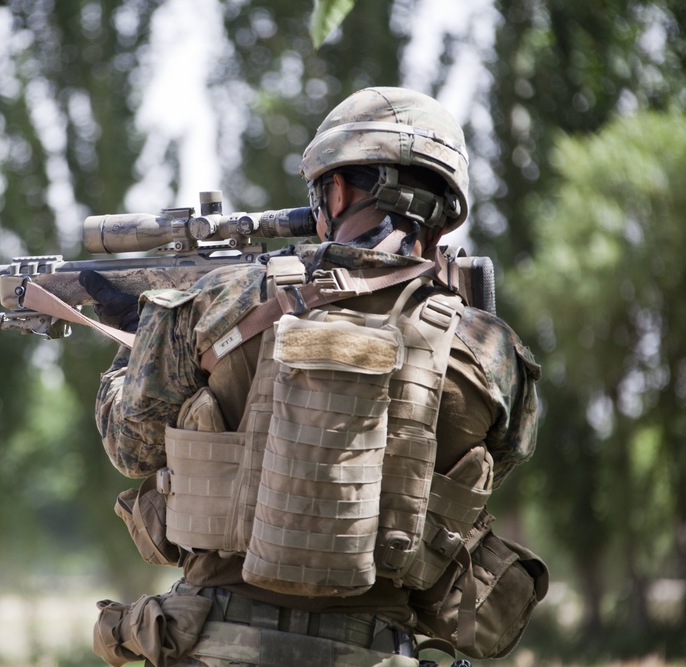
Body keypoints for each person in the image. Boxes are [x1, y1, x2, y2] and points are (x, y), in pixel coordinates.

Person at [82, 87, 543, 667]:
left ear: (339, 190)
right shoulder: (491, 351)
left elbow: (132, 446)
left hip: (213, 646)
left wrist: (139, 342)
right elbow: (493, 467)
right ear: (446, 211)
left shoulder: (219, 303)